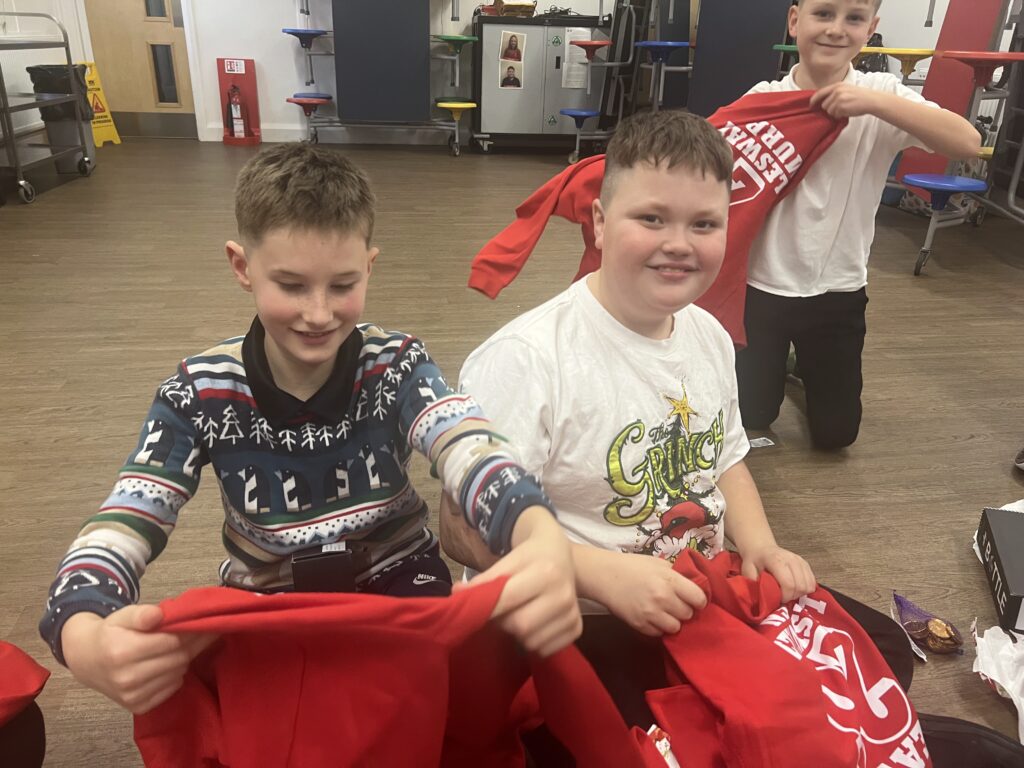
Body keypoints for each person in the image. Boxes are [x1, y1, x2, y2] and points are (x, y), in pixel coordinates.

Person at [38, 143, 581, 716]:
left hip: (398, 577)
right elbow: (129, 513)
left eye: (342, 285)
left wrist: (536, 528)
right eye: (292, 286)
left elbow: (467, 445)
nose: (319, 313)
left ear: (369, 266)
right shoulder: (197, 391)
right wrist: (83, 630)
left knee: (429, 704)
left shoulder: (397, 364)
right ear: (242, 267)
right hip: (268, 597)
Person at [442, 111, 914, 736]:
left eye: (704, 224)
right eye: (652, 218)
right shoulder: (526, 360)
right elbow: (458, 529)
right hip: (576, 620)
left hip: (700, 592)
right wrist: (598, 575)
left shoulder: (708, 335)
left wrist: (761, 546)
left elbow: (726, 459)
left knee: (884, 654)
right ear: (600, 222)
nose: (679, 244)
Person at [735, 0, 981, 449]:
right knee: (753, 415)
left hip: (838, 288)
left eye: (853, 18)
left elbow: (967, 141)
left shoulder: (880, 92)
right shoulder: (764, 98)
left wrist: (872, 102)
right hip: (762, 286)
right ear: (795, 21)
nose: (836, 29)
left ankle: (801, 365)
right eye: (823, 14)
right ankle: (785, 363)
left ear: (871, 29)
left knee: (836, 437)